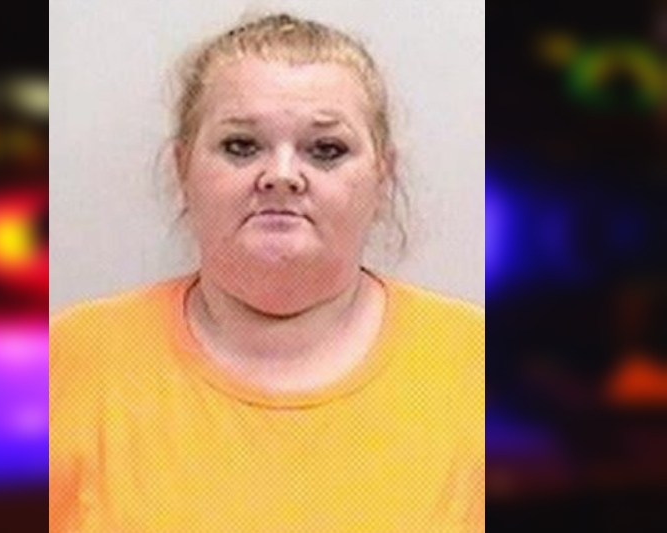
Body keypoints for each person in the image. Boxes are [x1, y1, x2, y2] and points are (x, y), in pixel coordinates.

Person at [50, 13, 484, 533]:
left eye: (326, 150)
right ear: (183, 168)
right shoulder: (66, 362)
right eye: (241, 146)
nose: (281, 176)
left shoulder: (483, 371)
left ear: (381, 177)